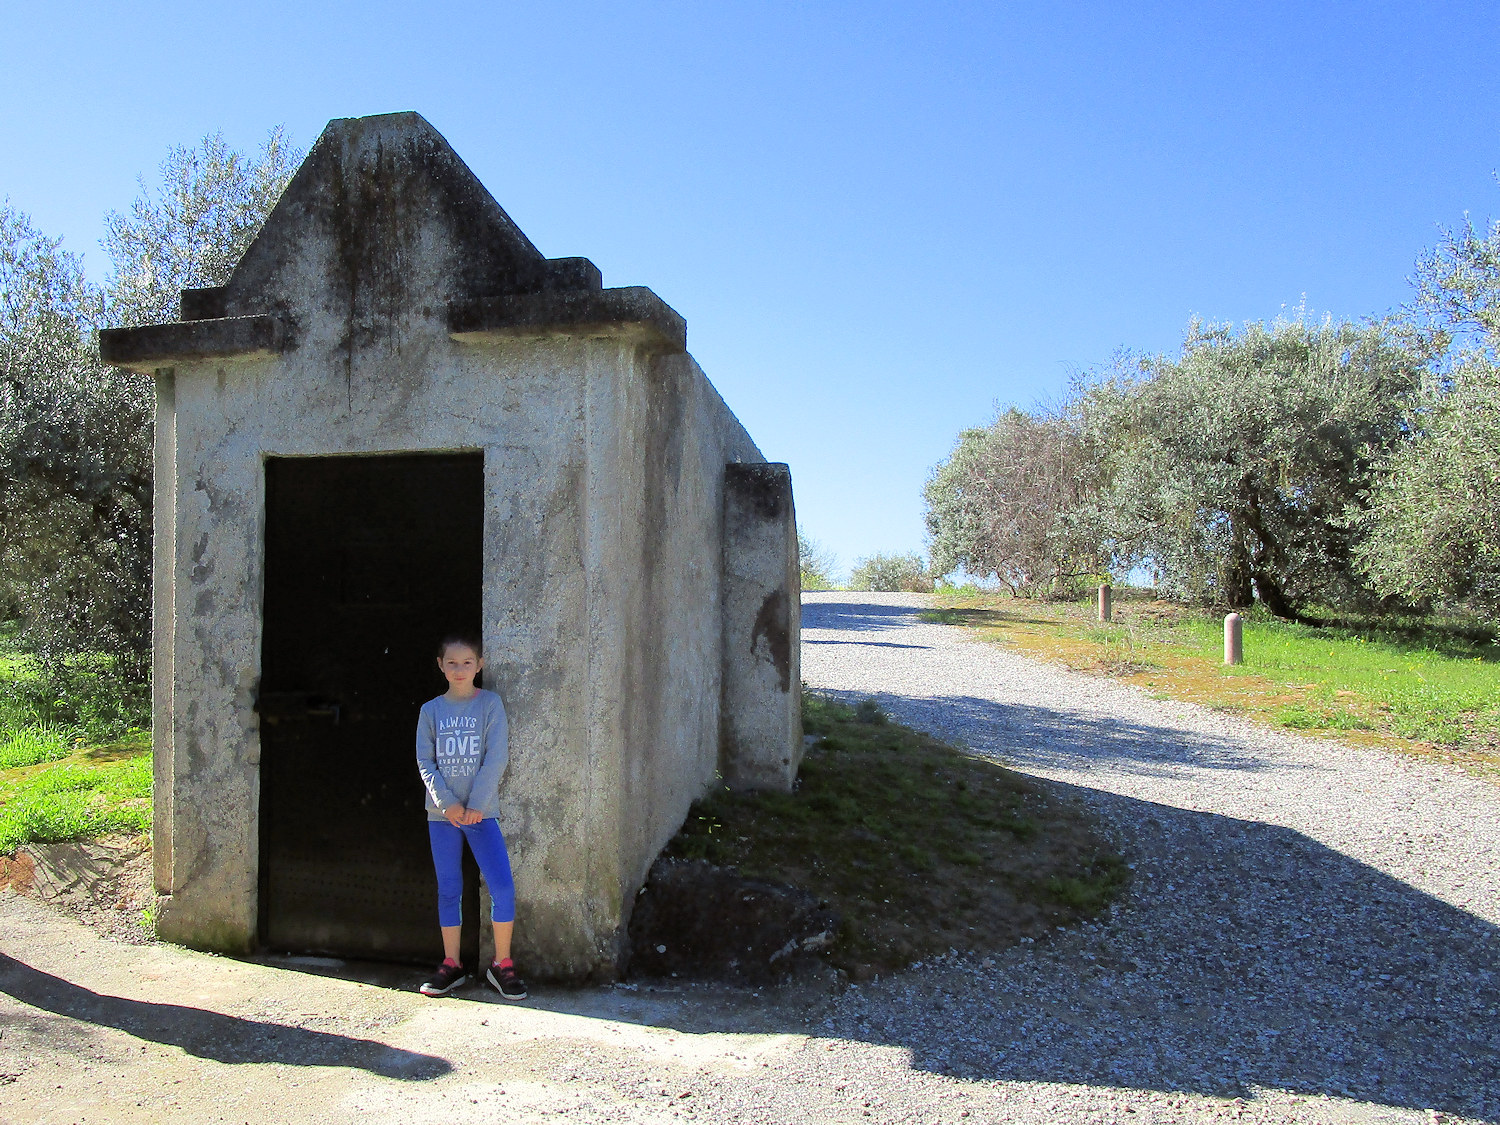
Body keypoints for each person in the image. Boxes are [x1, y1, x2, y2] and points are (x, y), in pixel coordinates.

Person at [414, 632, 527, 1000]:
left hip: (482, 815)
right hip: (442, 817)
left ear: (479, 665)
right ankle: (452, 964)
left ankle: (502, 964)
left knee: (502, 888)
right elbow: (425, 761)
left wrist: (477, 804)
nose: (459, 669)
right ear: (440, 666)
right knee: (449, 889)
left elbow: (496, 756)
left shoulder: (490, 705)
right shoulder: (431, 710)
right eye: (451, 663)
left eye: (467, 662)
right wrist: (447, 804)